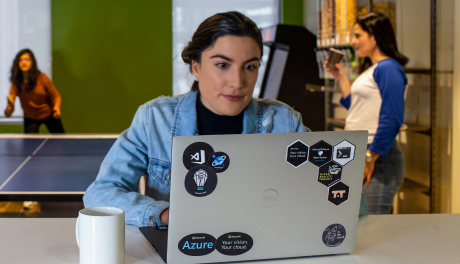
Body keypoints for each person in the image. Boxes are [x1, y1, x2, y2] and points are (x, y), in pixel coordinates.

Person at [84, 11, 368, 227]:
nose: (238, 82)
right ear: (196, 67)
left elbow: (352, 202)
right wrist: (165, 213)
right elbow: (101, 193)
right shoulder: (154, 119)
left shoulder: (283, 122)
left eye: (250, 67)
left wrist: (343, 175)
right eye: (222, 65)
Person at [325, 13, 408, 214]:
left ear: (374, 36)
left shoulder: (388, 69)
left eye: (358, 35)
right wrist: (341, 76)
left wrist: (370, 158)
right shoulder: (374, 68)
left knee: (373, 226)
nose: (353, 41)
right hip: (365, 153)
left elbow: (392, 118)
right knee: (361, 223)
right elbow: (356, 106)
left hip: (378, 158)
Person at [4, 48, 65, 133]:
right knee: (30, 144)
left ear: (32, 62)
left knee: (61, 141)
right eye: (21, 60)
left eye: (26, 59)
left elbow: (56, 95)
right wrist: (8, 110)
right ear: (17, 63)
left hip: (49, 114)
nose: (24, 62)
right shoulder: (16, 83)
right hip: (31, 118)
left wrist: (56, 108)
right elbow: (10, 106)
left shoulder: (42, 78)